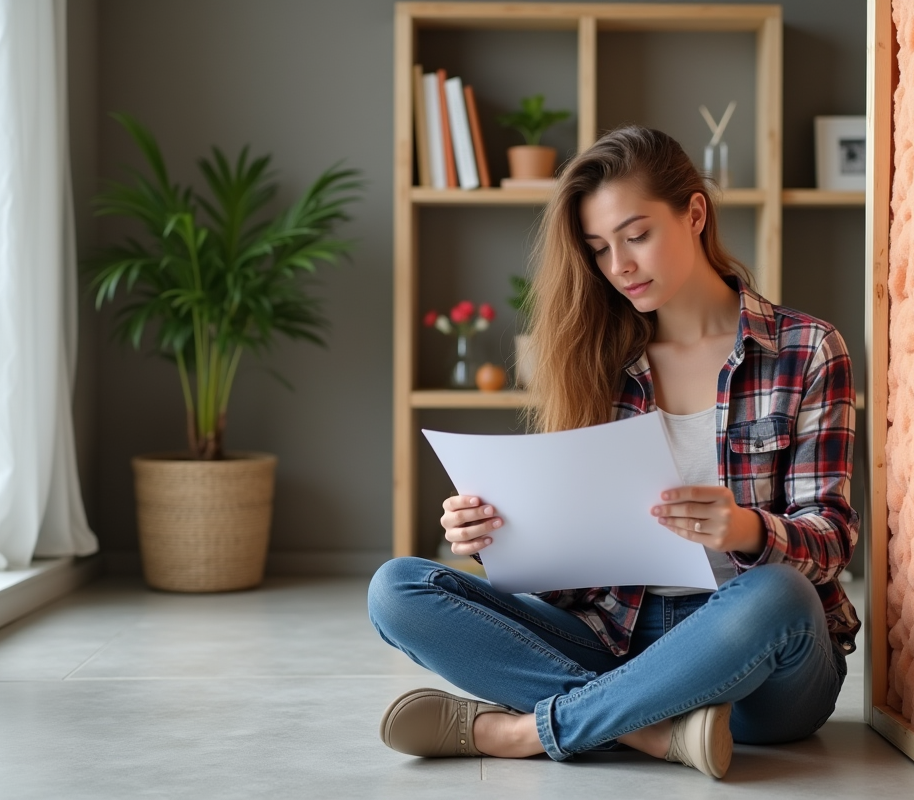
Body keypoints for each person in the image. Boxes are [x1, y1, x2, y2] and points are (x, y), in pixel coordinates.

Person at [368, 126, 860, 780]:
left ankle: (526, 732)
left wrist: (745, 529)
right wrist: (496, 536)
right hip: (616, 640)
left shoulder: (808, 349)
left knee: (780, 594)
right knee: (397, 589)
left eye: (636, 235)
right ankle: (655, 734)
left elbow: (832, 542)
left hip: (757, 660)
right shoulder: (596, 358)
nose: (619, 265)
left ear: (694, 213)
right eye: (600, 249)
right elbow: (569, 570)